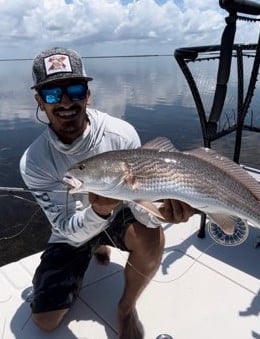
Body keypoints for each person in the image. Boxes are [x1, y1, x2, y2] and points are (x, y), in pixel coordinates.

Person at [20, 47, 194, 339]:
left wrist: (159, 214)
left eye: (74, 89)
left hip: (118, 209)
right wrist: (98, 211)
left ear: (87, 95)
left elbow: (140, 205)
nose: (65, 101)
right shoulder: (34, 161)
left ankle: (126, 308)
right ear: (40, 102)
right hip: (72, 227)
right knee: (45, 321)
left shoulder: (120, 134)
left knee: (152, 236)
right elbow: (64, 228)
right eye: (51, 94)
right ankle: (91, 253)